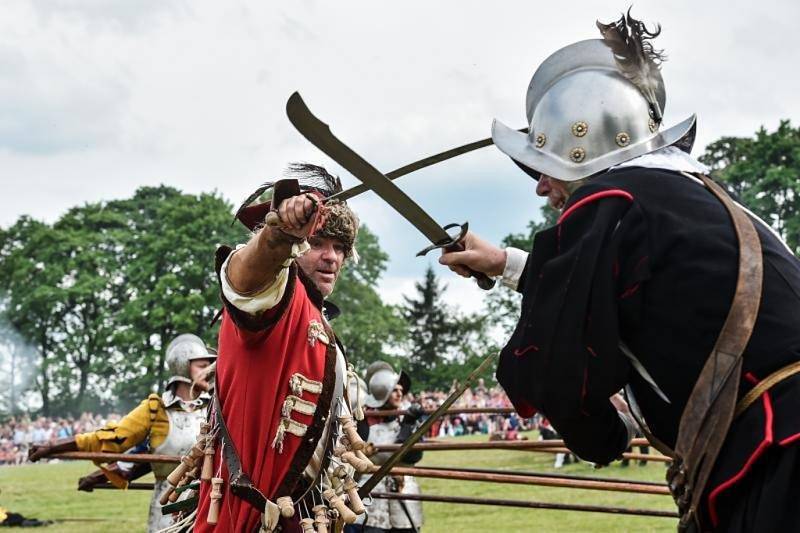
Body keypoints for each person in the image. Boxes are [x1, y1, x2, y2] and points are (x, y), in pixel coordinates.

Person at [438, 11, 800, 532]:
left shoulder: (612, 200)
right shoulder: (692, 201)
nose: (542, 187)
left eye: (546, 165)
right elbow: (617, 288)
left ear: (582, 150)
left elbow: (556, 367)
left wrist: (605, 434)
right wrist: (505, 263)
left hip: (780, 462)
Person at [192, 164, 363, 532]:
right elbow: (244, 275)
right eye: (317, 243)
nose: (331, 257)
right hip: (254, 518)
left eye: (339, 247)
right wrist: (278, 235)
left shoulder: (317, 316)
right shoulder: (275, 294)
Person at [29, 333, 216, 532]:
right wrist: (53, 446)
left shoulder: (216, 407)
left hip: (207, 500)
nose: (210, 372)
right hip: (167, 503)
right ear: (182, 367)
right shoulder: (156, 409)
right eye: (203, 366)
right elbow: (115, 439)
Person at [356, 361, 424, 533]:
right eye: (395, 390)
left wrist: (408, 426)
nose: (399, 394)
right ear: (383, 393)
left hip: (404, 488)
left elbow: (413, 457)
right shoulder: (364, 421)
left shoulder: (407, 417)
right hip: (372, 490)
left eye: (401, 390)